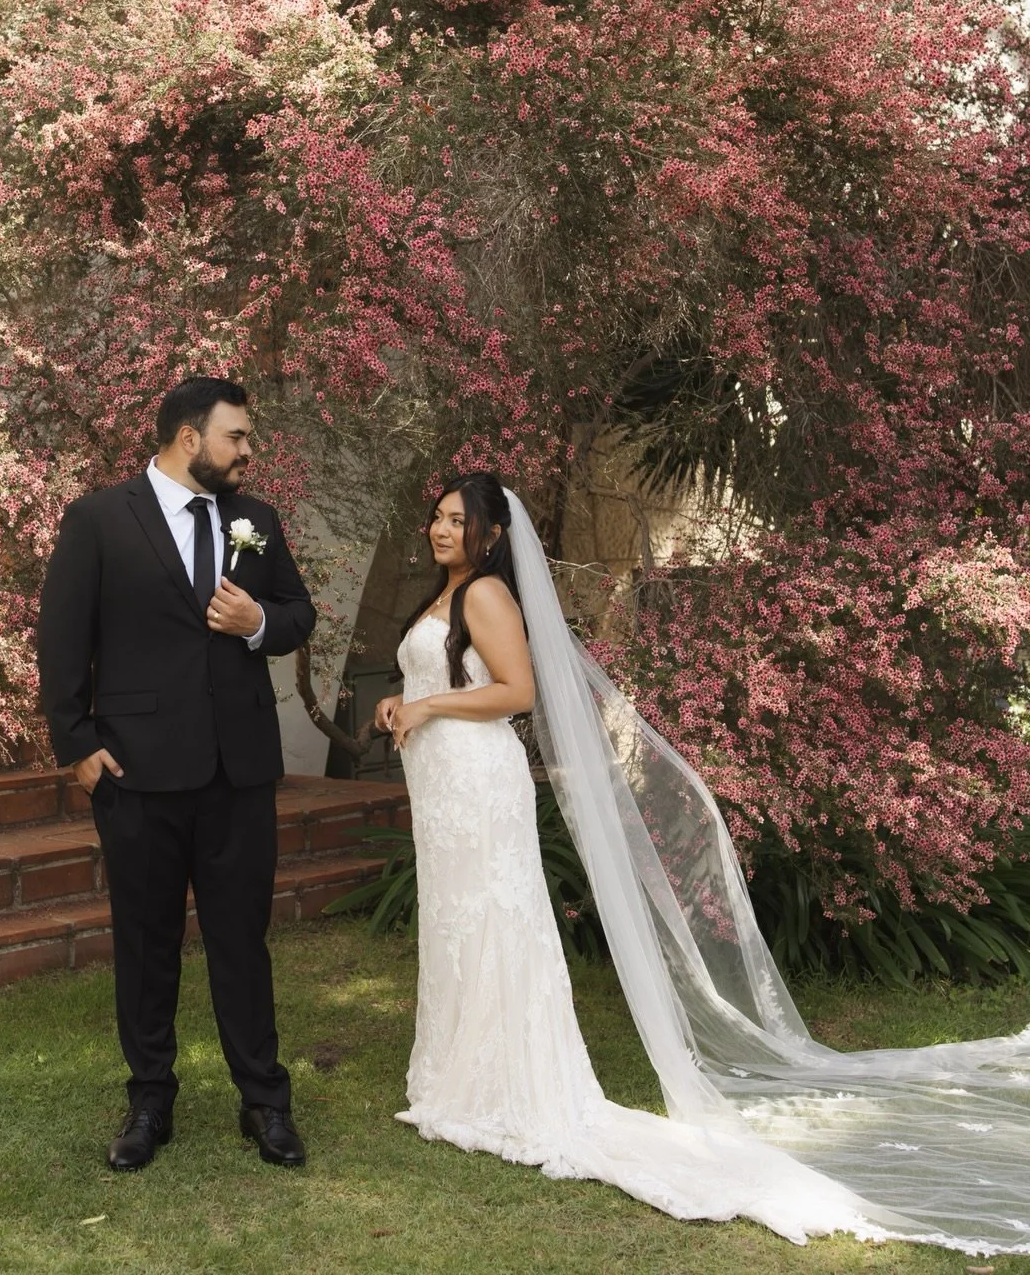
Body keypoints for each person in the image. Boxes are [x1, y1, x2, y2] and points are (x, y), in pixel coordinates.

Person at [376, 470, 1030, 1254]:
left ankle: (504, 1082)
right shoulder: (444, 595)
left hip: (479, 784)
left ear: (488, 535)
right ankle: (455, 1075)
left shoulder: (485, 594)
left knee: (491, 919)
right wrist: (401, 702)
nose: (440, 529)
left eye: (456, 520)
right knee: (455, 920)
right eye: (437, 517)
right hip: (442, 786)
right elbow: (442, 676)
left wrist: (429, 705)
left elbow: (517, 692)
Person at [37, 377, 316, 1173]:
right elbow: (62, 637)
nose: (248, 451)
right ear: (190, 438)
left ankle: (264, 1102)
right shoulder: (99, 518)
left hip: (239, 771)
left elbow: (298, 613)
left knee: (242, 941)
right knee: (146, 942)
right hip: (136, 773)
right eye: (237, 437)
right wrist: (77, 744)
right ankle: (149, 1101)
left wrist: (257, 623)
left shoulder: (256, 520)